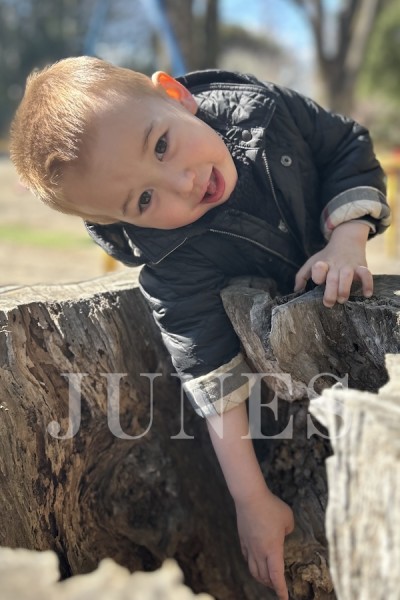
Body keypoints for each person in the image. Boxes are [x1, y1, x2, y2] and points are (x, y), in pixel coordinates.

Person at [10, 56, 390, 599]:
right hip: (289, 372)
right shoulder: (172, 263)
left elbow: (345, 145)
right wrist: (250, 499)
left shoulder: (263, 111)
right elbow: (211, 375)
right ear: (120, 221)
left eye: (161, 145)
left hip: (351, 306)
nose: (182, 183)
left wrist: (347, 239)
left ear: (176, 96)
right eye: (145, 199)